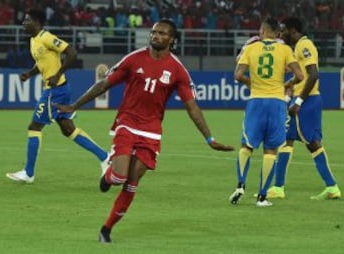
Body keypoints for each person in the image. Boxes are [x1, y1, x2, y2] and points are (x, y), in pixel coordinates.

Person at [55, 19, 235, 243]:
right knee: (119, 176)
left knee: (132, 183)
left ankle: (106, 229)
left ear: (172, 40)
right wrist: (74, 105)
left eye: (162, 33)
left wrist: (209, 138)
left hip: (151, 131)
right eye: (153, 32)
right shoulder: (134, 59)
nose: (156, 36)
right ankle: (108, 176)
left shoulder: (178, 70)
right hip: (127, 123)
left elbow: (192, 107)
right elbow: (104, 84)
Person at [6, 9, 108, 183]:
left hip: (55, 91)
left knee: (34, 126)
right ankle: (105, 157)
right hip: (58, 89)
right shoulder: (33, 40)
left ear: (37, 22)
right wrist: (29, 74)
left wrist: (57, 73)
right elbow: (42, 63)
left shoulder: (46, 37)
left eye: (27, 20)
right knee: (68, 129)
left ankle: (28, 173)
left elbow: (72, 52)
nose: (23, 23)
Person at [229, 17, 303, 207]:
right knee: (270, 150)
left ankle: (240, 184)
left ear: (262, 32)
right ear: (277, 33)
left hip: (256, 101)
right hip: (277, 103)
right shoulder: (285, 49)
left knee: (247, 145)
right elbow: (300, 75)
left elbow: (237, 74)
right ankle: (262, 197)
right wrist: (287, 84)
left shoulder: (251, 48)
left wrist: (249, 82)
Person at [266, 17, 341, 200]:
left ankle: (331, 186)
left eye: (283, 30)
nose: (281, 34)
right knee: (288, 140)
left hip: (307, 102)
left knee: (312, 143)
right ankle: (278, 187)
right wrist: (290, 84)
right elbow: (304, 76)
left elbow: (314, 74)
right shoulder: (298, 47)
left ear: (292, 30)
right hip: (303, 100)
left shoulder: (304, 45)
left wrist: (298, 101)